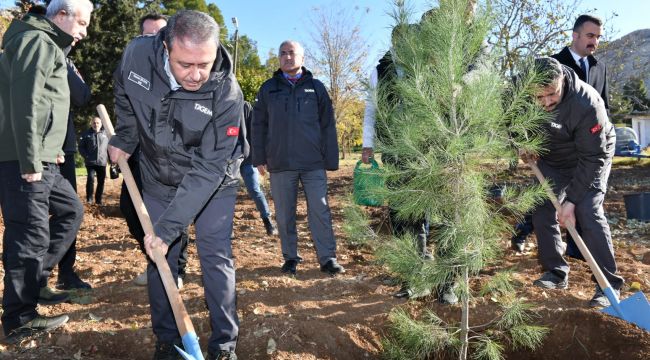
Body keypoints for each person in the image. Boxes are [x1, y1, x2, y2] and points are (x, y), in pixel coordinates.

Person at [108, 10, 244, 360]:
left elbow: (210, 167)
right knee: (160, 255)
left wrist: (169, 227)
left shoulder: (226, 92)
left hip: (214, 180)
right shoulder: (136, 55)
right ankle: (167, 340)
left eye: (205, 63)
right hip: (158, 174)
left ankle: (224, 344)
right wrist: (125, 135)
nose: (197, 75)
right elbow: (123, 91)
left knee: (215, 255)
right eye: (186, 65)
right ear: (166, 45)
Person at [0, 0, 93, 343]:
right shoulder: (36, 42)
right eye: (82, 24)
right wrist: (30, 161)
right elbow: (26, 103)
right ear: (62, 15)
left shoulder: (48, 43)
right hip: (27, 159)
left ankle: (34, 281)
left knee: (71, 211)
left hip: (48, 157)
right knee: (29, 235)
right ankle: (19, 319)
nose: (84, 32)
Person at [522, 57, 623, 308]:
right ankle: (555, 272)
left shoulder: (585, 103)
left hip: (589, 156)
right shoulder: (521, 92)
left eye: (552, 94)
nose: (545, 102)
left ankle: (608, 285)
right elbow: (509, 121)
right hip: (552, 156)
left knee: (588, 210)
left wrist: (572, 201)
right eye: (539, 97)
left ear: (562, 82)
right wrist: (521, 143)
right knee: (542, 205)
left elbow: (593, 157)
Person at [252, 40, 345, 277]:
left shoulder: (317, 87)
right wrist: (259, 157)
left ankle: (328, 258)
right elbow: (258, 125)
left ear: (302, 58)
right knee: (284, 215)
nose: (287, 57)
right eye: (282, 53)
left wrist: (331, 160)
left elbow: (327, 126)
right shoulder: (268, 89)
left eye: (291, 53)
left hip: (312, 163)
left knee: (320, 210)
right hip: (280, 163)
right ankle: (290, 258)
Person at [118, 13, 189, 289]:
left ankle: (176, 269)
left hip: (168, 154)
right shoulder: (133, 67)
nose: (154, 41)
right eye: (147, 36)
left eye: (159, 35)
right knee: (130, 207)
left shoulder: (178, 72)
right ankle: (156, 262)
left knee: (171, 212)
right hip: (137, 150)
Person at [240, 101, 277, 236]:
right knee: (227, 195)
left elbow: (254, 132)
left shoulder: (245, 106)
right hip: (228, 160)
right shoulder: (220, 104)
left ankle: (268, 222)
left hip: (247, 158)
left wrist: (260, 157)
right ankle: (227, 229)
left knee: (255, 189)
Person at [79, 117, 109, 205]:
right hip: (90, 162)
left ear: (101, 124)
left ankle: (98, 200)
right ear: (91, 124)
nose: (96, 124)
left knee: (101, 181)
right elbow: (81, 147)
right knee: (90, 179)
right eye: (94, 123)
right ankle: (89, 199)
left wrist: (111, 160)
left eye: (98, 123)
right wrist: (86, 156)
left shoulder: (106, 134)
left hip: (102, 162)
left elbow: (110, 148)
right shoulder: (86, 134)